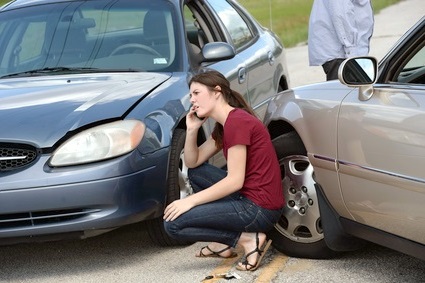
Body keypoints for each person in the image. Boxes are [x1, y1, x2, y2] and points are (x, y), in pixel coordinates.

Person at [163, 70, 284, 271]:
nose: (192, 100)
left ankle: (246, 239)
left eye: (196, 93)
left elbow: (234, 181)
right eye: (191, 95)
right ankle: (223, 244)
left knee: (173, 224)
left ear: (216, 92)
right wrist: (192, 130)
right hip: (250, 197)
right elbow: (193, 162)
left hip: (259, 209)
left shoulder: (236, 123)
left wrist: (188, 201)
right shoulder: (226, 123)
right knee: (196, 173)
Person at [308, 0, 374, 80]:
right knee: (346, 91)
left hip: (348, 52)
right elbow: (340, 14)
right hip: (343, 54)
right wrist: (352, 55)